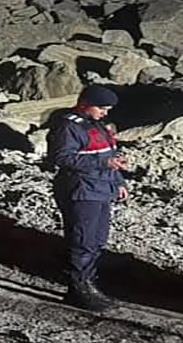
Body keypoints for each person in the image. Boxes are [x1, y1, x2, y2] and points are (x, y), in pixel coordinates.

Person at [46, 84, 128, 312]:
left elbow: (107, 155)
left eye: (107, 108)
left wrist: (118, 181)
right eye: (101, 108)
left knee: (97, 240)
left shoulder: (97, 125)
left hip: (101, 188)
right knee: (83, 241)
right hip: (81, 189)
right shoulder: (67, 126)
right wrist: (104, 164)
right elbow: (61, 158)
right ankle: (78, 288)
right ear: (85, 104)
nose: (105, 112)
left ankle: (88, 283)